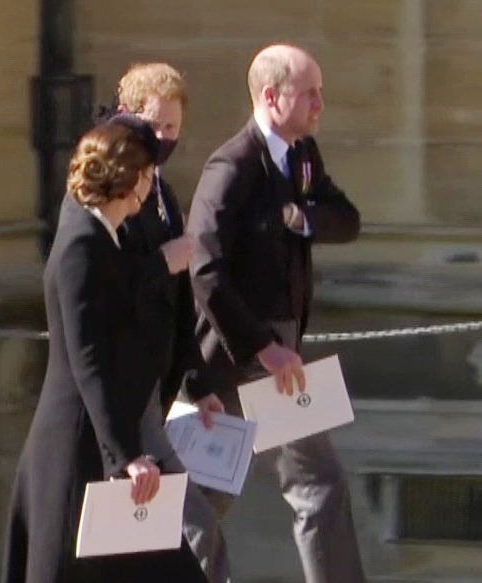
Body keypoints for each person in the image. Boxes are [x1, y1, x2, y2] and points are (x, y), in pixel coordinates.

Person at [2, 114, 209, 583]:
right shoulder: (80, 243)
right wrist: (125, 456)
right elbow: (87, 360)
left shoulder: (106, 234)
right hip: (78, 452)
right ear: (129, 181)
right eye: (148, 178)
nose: (152, 188)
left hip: (105, 444)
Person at [187, 44, 365, 583]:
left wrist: (300, 215)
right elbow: (204, 268)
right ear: (270, 96)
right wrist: (262, 345)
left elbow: (347, 219)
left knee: (307, 486)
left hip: (278, 349)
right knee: (211, 497)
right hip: (236, 354)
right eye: (309, 92)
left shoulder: (303, 155)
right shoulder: (232, 166)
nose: (320, 104)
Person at [114, 62, 230, 583]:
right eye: (155, 126)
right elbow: (98, 287)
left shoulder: (164, 193)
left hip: (156, 392)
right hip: (125, 395)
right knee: (195, 532)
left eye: (172, 130)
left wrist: (197, 381)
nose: (163, 139)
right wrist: (162, 260)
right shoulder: (114, 194)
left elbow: (183, 301)